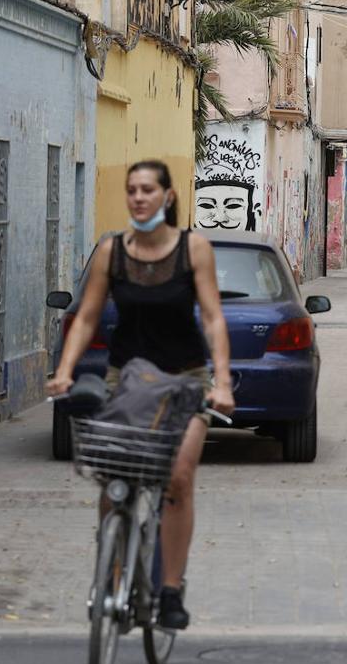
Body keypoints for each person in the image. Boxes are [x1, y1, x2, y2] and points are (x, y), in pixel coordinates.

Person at [47, 160, 235, 630]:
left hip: (187, 380)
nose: (138, 198)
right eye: (131, 190)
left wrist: (224, 381)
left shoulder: (194, 249)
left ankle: (169, 590)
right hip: (126, 379)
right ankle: (113, 573)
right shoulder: (113, 252)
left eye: (147, 190)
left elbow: (212, 318)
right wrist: (65, 370)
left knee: (178, 478)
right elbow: (87, 317)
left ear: (167, 197)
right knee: (116, 479)